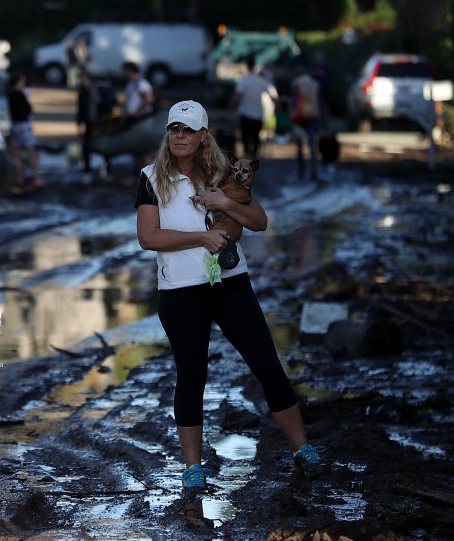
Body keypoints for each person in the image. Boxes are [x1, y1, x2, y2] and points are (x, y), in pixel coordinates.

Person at [134, 99, 325, 489]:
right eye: (174, 129)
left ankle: (303, 451)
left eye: (188, 130)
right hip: (180, 292)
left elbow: (260, 221)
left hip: (230, 284)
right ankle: (193, 469)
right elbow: (147, 237)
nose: (179, 136)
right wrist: (201, 236)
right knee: (191, 377)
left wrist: (223, 202)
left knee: (267, 365)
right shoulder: (152, 177)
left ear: (204, 135)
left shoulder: (224, 173)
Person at [229, 56, 278, 158]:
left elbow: (237, 96)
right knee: (256, 136)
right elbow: (273, 96)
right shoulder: (261, 81)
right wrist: (279, 108)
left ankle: (247, 155)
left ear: (247, 67)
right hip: (258, 114)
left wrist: (229, 107)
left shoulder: (244, 80)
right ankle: (254, 156)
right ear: (255, 67)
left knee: (245, 136)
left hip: (245, 113)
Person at [7, 71, 43, 188]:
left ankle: (20, 177)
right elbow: (28, 110)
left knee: (17, 153)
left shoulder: (10, 94)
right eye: (22, 81)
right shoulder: (20, 94)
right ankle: (36, 178)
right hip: (23, 125)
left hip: (14, 125)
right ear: (18, 82)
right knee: (31, 152)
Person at [121, 61, 156, 174]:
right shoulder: (132, 83)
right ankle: (138, 171)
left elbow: (149, 99)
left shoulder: (141, 83)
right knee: (135, 146)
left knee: (144, 146)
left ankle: (148, 173)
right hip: (133, 119)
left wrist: (138, 112)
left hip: (141, 119)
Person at [290, 67, 322, 181]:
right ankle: (314, 172)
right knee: (312, 145)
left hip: (299, 117)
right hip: (312, 116)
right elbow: (319, 102)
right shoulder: (315, 84)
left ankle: (301, 173)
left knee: (299, 145)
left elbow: (293, 102)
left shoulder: (295, 84)